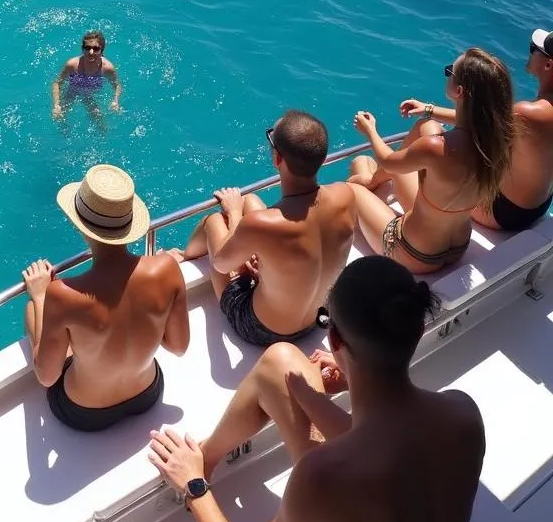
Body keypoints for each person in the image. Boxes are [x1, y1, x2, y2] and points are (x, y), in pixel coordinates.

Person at [148, 256, 485, 522]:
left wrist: (195, 488)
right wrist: (317, 393)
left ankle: (196, 470)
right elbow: (388, 451)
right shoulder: (463, 414)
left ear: (334, 340)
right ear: (418, 329)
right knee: (283, 362)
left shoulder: (324, 476)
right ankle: (205, 459)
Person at [22, 163, 190, 432]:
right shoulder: (167, 269)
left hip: (83, 413)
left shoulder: (63, 294)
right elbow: (178, 346)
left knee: (33, 309)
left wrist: (41, 296)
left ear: (83, 228)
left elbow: (47, 376)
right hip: (147, 394)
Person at [175, 110, 357, 347]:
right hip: (316, 318)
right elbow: (304, 242)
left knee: (213, 222)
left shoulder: (261, 224)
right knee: (251, 200)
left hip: (263, 330)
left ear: (277, 159)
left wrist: (232, 212)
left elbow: (221, 263)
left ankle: (184, 255)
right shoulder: (346, 195)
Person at [349, 47, 515, 273]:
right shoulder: (500, 139)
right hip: (457, 247)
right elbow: (477, 115)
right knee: (427, 125)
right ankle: (370, 178)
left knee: (352, 188)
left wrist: (370, 131)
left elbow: (388, 160)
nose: (446, 73)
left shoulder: (436, 148)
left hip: (412, 253)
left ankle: (367, 181)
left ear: (459, 91)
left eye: (450, 71)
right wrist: (428, 110)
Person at [400, 29, 553, 231]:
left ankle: (374, 180)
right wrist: (429, 109)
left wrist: (428, 112)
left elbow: (483, 123)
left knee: (425, 131)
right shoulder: (535, 114)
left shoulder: (529, 113)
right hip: (537, 207)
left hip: (502, 211)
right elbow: (492, 123)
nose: (530, 52)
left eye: (534, 49)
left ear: (548, 64)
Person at [51, 30, 123, 126]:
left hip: (90, 94)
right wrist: (56, 104)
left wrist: (115, 101)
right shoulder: (72, 65)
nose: (91, 52)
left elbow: (117, 85)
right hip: (73, 90)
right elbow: (57, 83)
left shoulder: (107, 68)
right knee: (59, 117)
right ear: (82, 49)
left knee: (100, 123)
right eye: (87, 48)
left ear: (102, 50)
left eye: (96, 49)